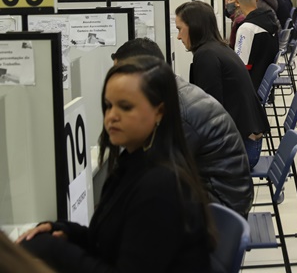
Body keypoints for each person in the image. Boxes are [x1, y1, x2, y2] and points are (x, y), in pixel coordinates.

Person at [19, 56, 213, 272]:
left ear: (159, 111)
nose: (111, 117)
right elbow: (112, 241)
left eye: (125, 107)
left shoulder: (161, 185)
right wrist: (67, 232)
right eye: (108, 106)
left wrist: (55, 251)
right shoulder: (133, 162)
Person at [111, 38, 254, 217]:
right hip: (222, 195)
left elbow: (156, 170)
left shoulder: (177, 111)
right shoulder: (172, 91)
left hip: (223, 208)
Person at [175, 1, 270, 168]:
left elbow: (210, 114)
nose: (178, 37)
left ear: (195, 27)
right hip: (247, 142)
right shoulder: (219, 49)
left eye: (179, 29)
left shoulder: (206, 56)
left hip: (243, 150)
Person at [233, 0, 279, 90]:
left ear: (236, 1)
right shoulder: (269, 19)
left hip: (249, 88)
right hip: (262, 83)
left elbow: (240, 66)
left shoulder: (246, 29)